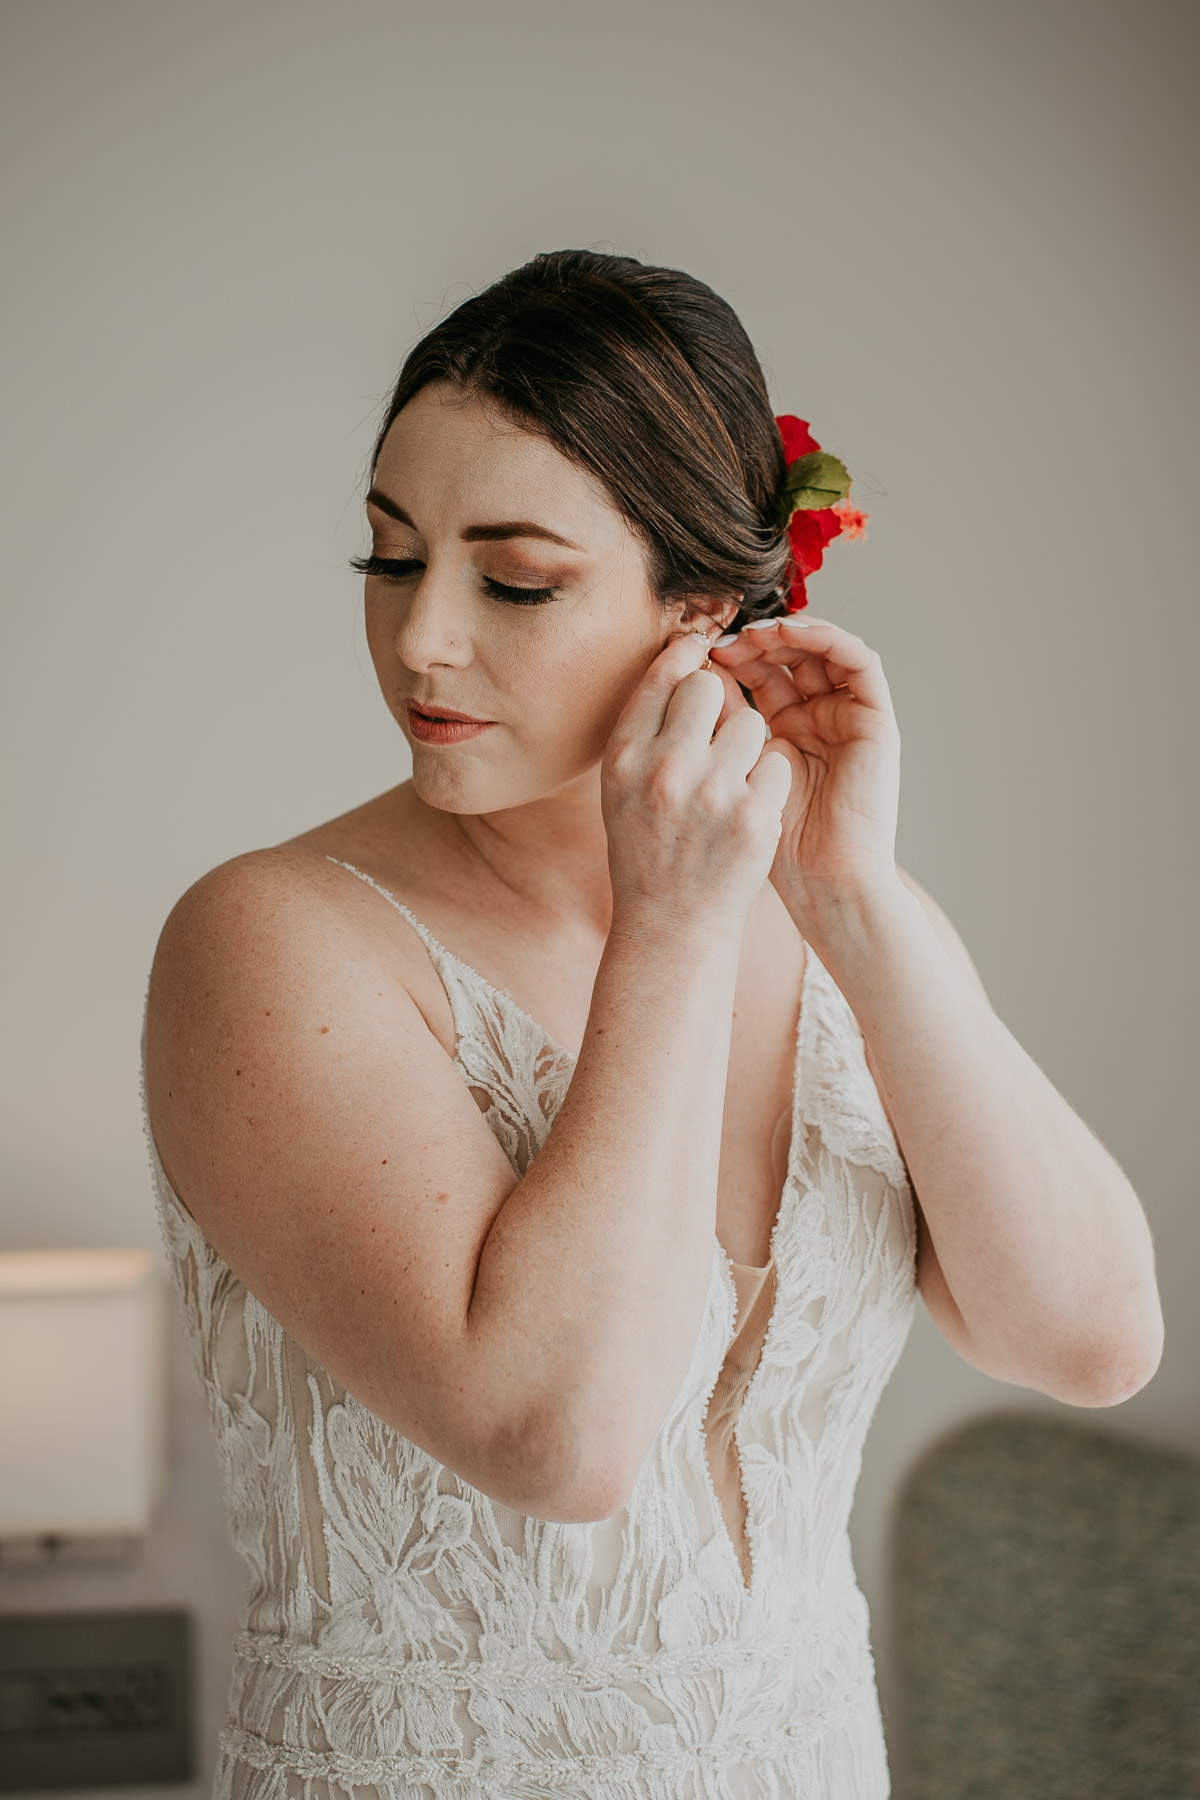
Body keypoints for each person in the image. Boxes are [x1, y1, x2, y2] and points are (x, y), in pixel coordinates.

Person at [140, 249, 1163, 1799]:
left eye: (515, 580)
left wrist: (858, 905)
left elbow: (1090, 1341)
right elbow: (558, 1439)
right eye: (390, 558)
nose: (423, 638)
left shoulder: (828, 919)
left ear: (700, 605)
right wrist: (673, 930)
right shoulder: (272, 941)